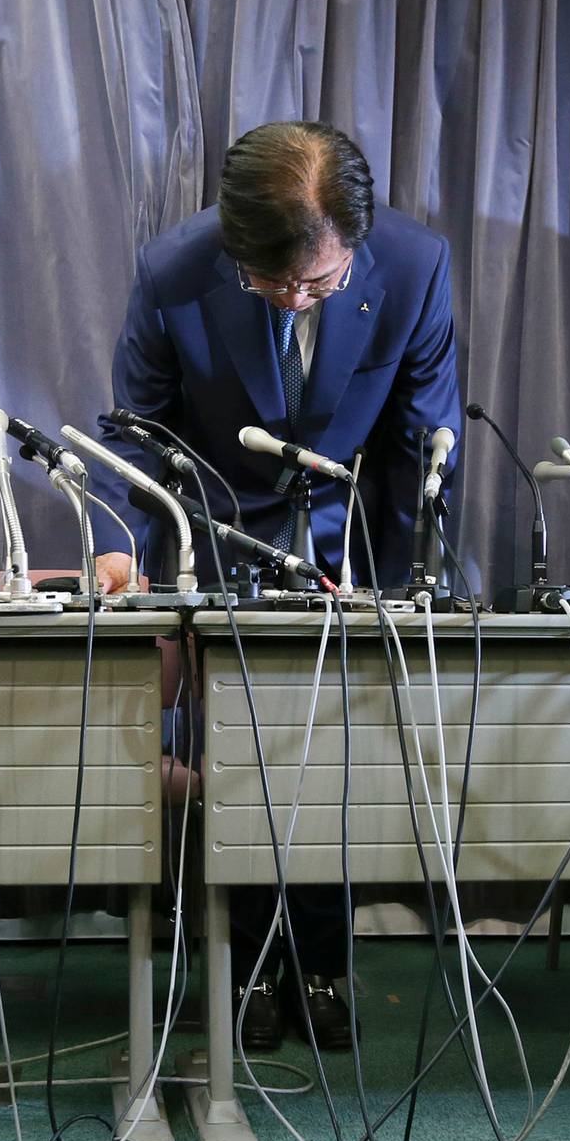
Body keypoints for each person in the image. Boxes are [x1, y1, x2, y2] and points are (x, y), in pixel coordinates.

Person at [100, 120, 463, 1052]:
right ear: (235, 251)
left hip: (350, 543)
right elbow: (138, 441)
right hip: (217, 538)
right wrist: (139, 562)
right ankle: (243, 961)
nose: (298, 299)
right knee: (236, 763)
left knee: (333, 760)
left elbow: (425, 448)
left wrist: (399, 581)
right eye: (273, 283)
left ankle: (323, 959)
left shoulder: (416, 267)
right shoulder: (173, 271)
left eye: (321, 282)